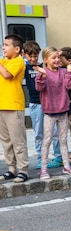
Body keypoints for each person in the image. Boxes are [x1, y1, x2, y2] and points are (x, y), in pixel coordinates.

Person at [35, 47, 71, 179]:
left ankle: (67, 166)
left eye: (57, 57)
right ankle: (43, 169)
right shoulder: (43, 72)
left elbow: (69, 86)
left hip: (63, 111)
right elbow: (39, 87)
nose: (56, 60)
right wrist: (42, 75)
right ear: (45, 60)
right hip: (49, 112)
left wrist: (70, 72)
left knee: (63, 140)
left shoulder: (63, 71)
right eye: (53, 58)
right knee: (47, 140)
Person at [23, 40, 63, 170]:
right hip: (36, 104)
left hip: (50, 103)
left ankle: (58, 157)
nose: (34, 59)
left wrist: (58, 55)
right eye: (31, 56)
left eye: (36, 55)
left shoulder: (44, 66)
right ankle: (41, 158)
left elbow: (55, 64)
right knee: (39, 133)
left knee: (55, 132)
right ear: (25, 55)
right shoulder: (24, 67)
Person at [0, 34, 29, 183]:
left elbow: (6, 75)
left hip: (14, 105)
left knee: (18, 140)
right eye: (3, 45)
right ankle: (11, 168)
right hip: (2, 105)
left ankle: (23, 170)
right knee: (6, 141)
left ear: (17, 49)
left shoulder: (18, 62)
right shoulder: (3, 61)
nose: (3, 47)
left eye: (6, 45)